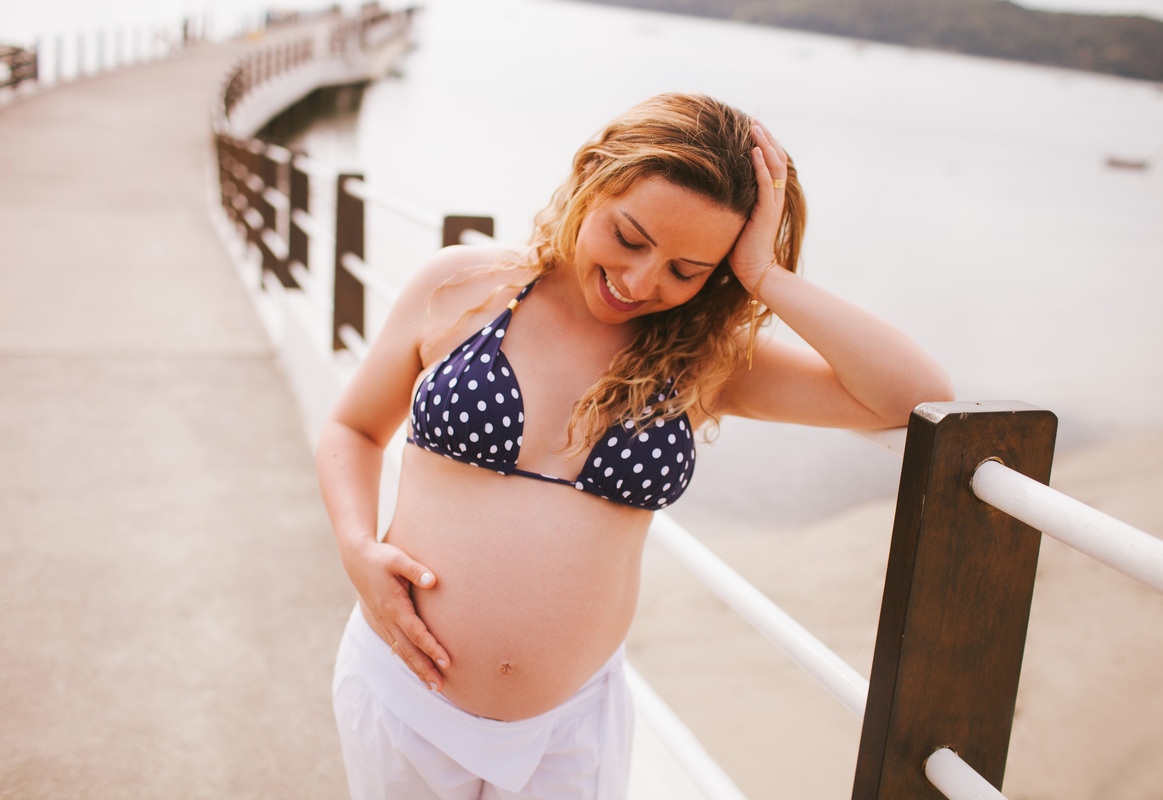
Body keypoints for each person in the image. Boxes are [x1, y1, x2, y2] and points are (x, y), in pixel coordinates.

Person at [315, 92, 954, 800]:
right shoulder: (462, 286)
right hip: (405, 695)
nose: (641, 281)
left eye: (687, 270)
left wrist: (769, 278)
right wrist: (356, 549)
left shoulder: (704, 359)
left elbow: (915, 394)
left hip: (570, 731)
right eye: (629, 236)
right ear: (594, 176)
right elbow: (354, 429)